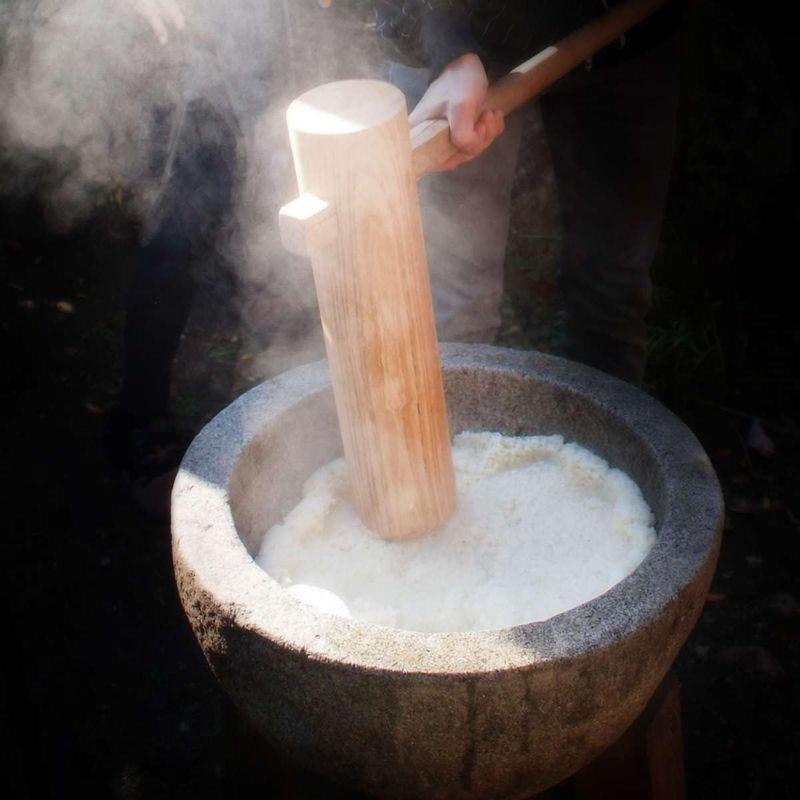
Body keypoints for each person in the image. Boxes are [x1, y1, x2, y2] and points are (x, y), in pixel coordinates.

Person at [376, 0, 683, 384]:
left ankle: (603, 425)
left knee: (612, 291)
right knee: (455, 305)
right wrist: (448, 45)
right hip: (461, 36)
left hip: (624, 32)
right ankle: (451, 432)